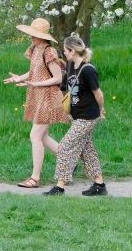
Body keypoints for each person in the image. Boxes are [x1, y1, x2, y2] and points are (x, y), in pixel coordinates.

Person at [3, 17, 67, 188]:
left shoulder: (49, 52)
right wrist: (18, 79)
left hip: (49, 98)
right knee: (43, 137)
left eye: (34, 34)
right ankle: (69, 160)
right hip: (38, 97)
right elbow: (33, 72)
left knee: (35, 136)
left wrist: (35, 84)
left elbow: (57, 78)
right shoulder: (34, 50)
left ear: (43, 36)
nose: (31, 37)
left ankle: (35, 178)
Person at [43, 34, 106, 196]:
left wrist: (101, 110)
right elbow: (65, 87)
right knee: (86, 150)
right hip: (77, 116)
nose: (64, 53)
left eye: (65, 51)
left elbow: (98, 94)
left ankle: (60, 186)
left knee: (64, 146)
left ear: (72, 51)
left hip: (88, 116)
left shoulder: (88, 70)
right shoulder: (71, 67)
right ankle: (99, 185)